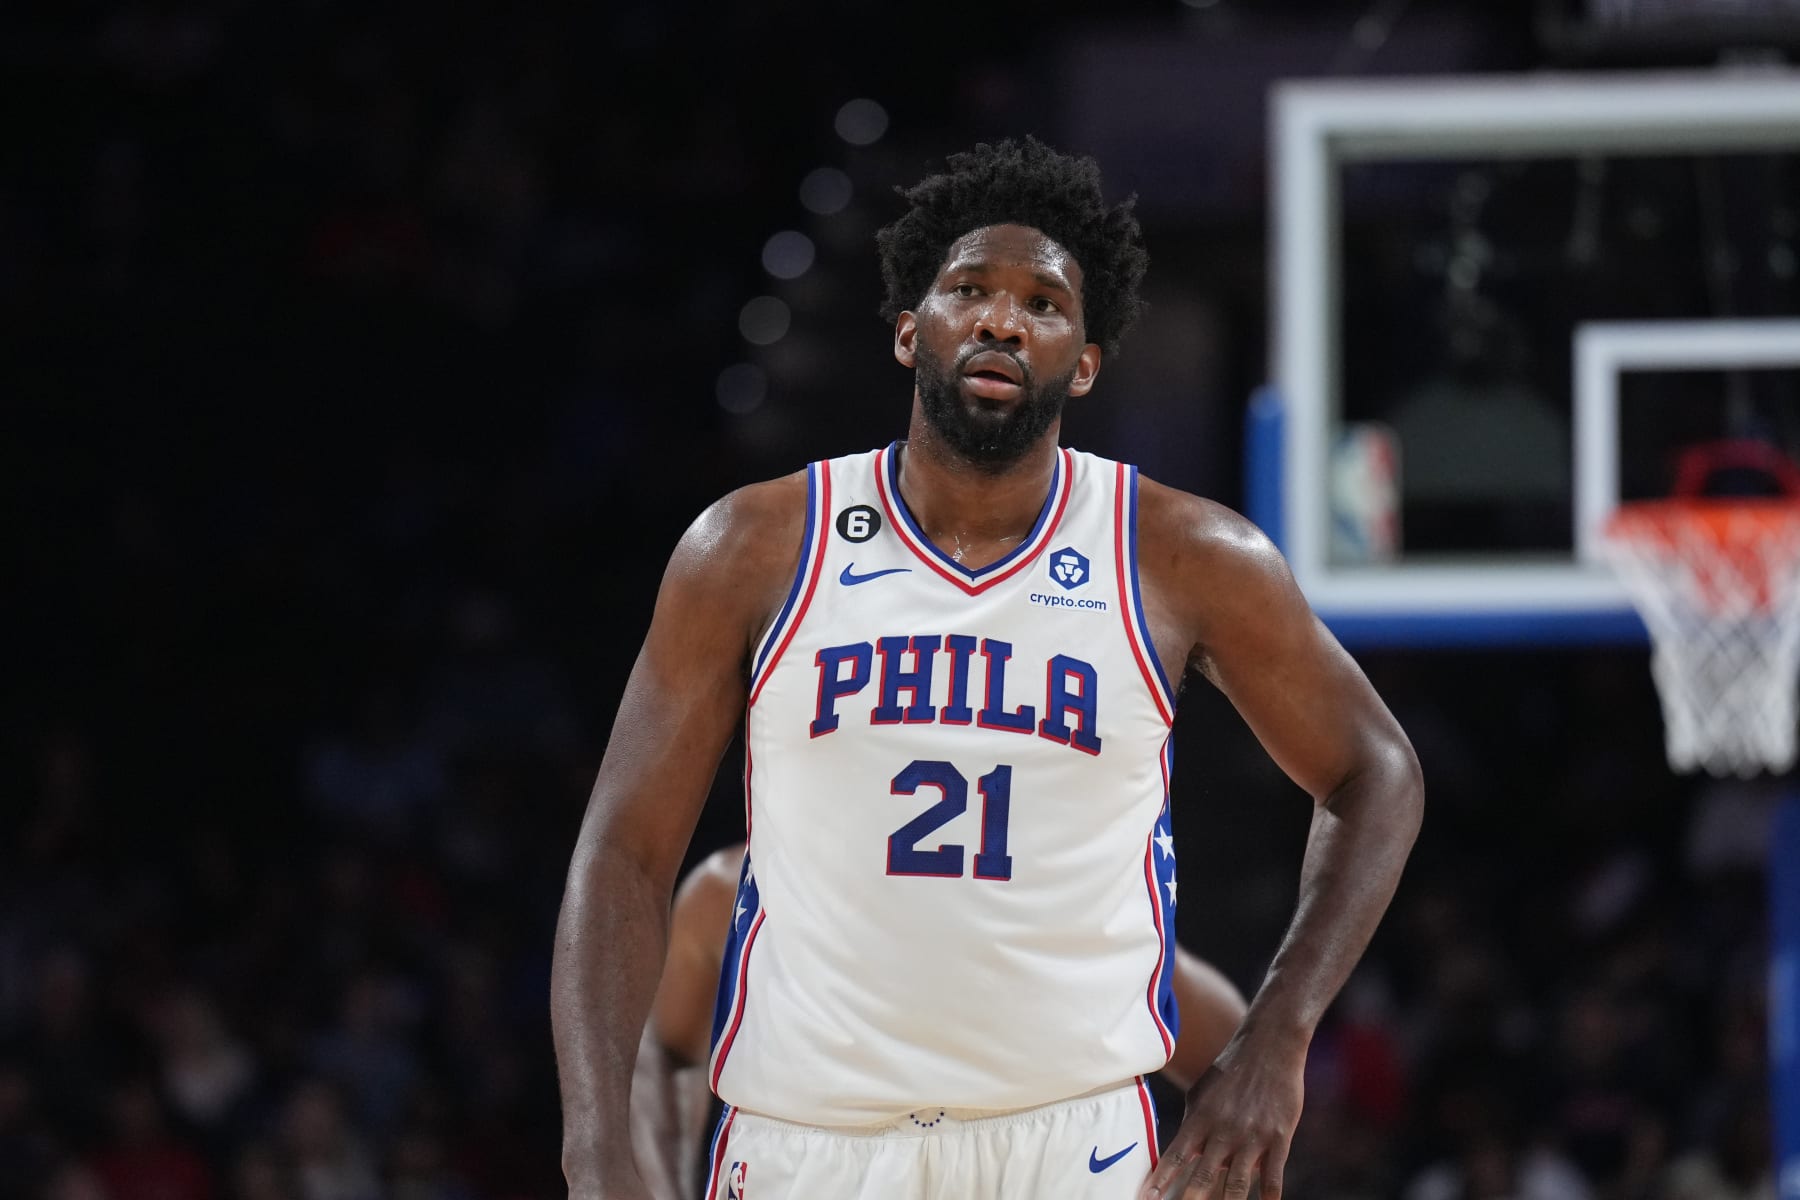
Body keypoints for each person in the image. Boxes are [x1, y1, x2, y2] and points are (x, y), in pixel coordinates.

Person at [551, 137, 1424, 1200]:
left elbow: (1377, 769)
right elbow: (626, 851)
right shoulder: (755, 546)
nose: (1004, 318)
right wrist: (595, 1145)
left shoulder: (1183, 556)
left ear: (1087, 360)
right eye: (970, 289)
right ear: (911, 331)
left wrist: (1276, 1043)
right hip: (805, 1142)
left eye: (1044, 303)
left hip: (1073, 1142)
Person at [627, 842, 1252, 1200]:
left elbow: (1233, 1057)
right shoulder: (729, 891)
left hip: (1030, 1162)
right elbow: (665, 1047)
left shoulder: (1028, 902)